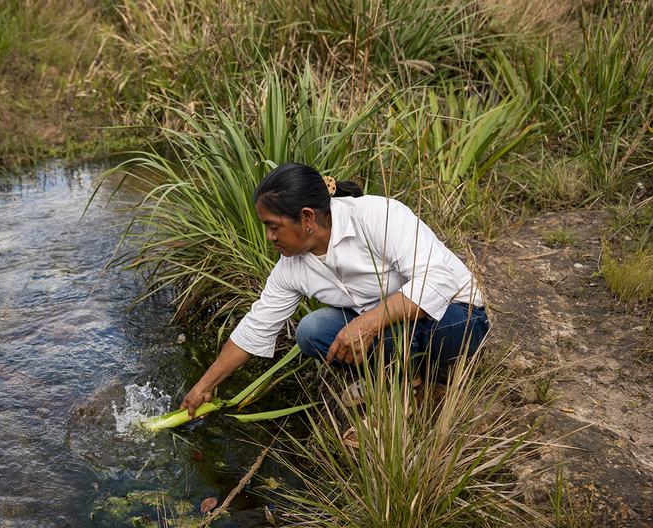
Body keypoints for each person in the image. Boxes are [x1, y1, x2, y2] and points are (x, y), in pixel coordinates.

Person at [180, 162, 489, 417]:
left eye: (274, 226)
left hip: (459, 320)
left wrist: (366, 322)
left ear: (307, 217)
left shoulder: (378, 217)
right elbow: (256, 327)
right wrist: (204, 387)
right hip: (391, 331)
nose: (269, 237)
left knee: (392, 332)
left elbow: (437, 280)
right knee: (311, 331)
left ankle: (397, 402)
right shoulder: (292, 266)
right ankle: (410, 382)